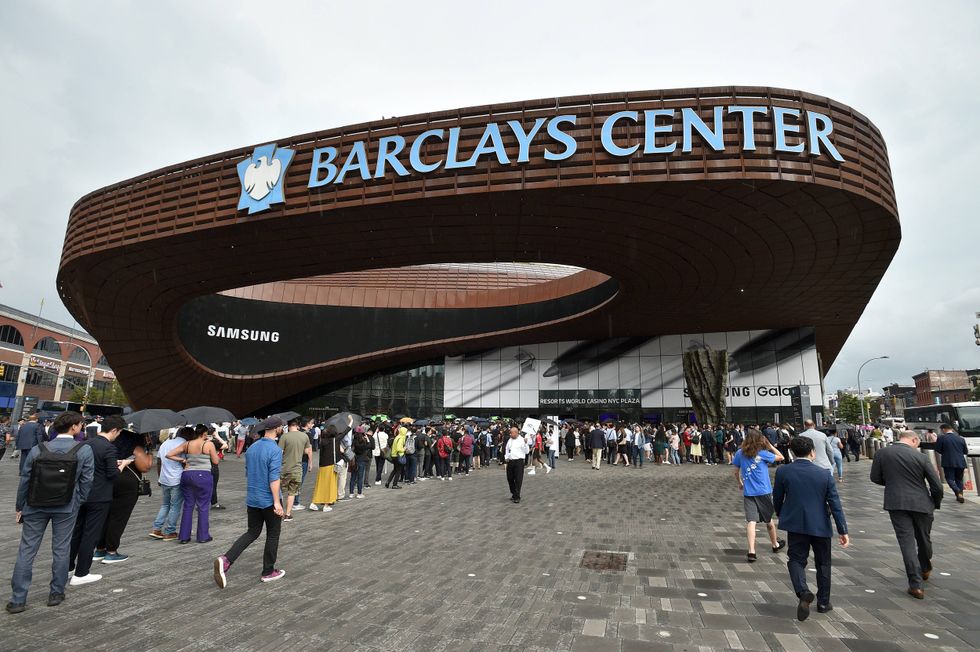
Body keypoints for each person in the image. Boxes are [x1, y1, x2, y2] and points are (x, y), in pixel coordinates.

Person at [7, 412, 94, 613]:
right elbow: (86, 482)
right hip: (66, 506)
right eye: (80, 425)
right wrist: (77, 500)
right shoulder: (83, 450)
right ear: (74, 427)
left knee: (27, 550)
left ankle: (18, 598)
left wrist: (20, 506)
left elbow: (25, 481)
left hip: (35, 504)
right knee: (61, 549)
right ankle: (56, 592)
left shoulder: (39, 449)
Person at [773, 437, 849, 621]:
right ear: (812, 452)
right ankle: (823, 602)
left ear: (791, 452)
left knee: (796, 560)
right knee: (823, 563)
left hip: (796, 524)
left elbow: (777, 498)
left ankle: (803, 591)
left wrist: (784, 514)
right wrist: (842, 530)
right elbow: (835, 504)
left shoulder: (783, 472)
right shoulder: (824, 474)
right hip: (820, 524)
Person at [870, 430, 943, 599]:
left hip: (896, 503)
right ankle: (925, 566)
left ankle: (915, 584)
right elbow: (937, 485)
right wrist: (935, 502)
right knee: (924, 538)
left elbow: (875, 477)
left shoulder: (882, 453)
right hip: (922, 502)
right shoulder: (921, 457)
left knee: (906, 542)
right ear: (914, 439)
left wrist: (892, 483)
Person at [213, 416, 285, 588]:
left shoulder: (252, 448)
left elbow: (248, 472)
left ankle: (226, 559)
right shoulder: (275, 450)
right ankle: (268, 571)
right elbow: (274, 479)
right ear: (276, 429)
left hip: (252, 498)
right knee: (273, 534)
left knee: (252, 532)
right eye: (281, 426)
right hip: (268, 499)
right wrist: (277, 502)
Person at [68, 415, 125, 586]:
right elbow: (112, 475)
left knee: (76, 531)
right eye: (119, 432)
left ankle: (68, 566)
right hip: (100, 496)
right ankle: (82, 572)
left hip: (82, 494)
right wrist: (122, 465)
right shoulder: (109, 448)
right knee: (91, 534)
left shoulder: (86, 443)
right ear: (114, 430)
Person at [95, 428, 152, 563]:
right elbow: (145, 466)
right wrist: (149, 452)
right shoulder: (135, 447)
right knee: (119, 518)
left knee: (106, 515)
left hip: (108, 480)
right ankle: (111, 551)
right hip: (126, 484)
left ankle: (100, 549)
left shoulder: (110, 446)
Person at [732, 429, 785, 562]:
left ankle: (751, 551)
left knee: (751, 521)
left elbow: (735, 471)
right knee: (769, 521)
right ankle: (775, 544)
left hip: (749, 492)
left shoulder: (740, 453)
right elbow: (781, 457)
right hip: (764, 491)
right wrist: (771, 446)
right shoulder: (763, 454)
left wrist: (740, 482)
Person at [167, 425, 221, 543]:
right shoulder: (208, 444)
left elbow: (169, 454)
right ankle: (203, 536)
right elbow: (216, 461)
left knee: (188, 505)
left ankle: (184, 537)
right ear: (205, 434)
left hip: (187, 475)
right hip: (203, 475)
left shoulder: (187, 444)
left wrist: (183, 460)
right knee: (203, 506)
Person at [150, 426, 189, 541]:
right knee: (175, 506)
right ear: (188, 435)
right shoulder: (185, 444)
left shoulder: (165, 443)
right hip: (177, 478)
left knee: (165, 504)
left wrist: (159, 478)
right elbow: (186, 462)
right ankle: (170, 531)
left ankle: (156, 528)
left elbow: (159, 462)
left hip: (164, 478)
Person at [276, 418, 312, 521]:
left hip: (284, 468)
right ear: (297, 425)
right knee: (292, 492)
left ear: (288, 425)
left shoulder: (284, 436)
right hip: (297, 469)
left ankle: (279, 512)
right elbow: (306, 451)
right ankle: (288, 514)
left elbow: (280, 452)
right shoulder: (304, 436)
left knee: (279, 491)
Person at [934, 424, 969, 503]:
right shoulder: (961, 439)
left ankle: (957, 491)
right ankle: (960, 495)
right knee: (959, 479)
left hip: (948, 461)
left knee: (949, 479)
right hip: (960, 462)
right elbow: (965, 451)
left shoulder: (941, 438)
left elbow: (938, 449)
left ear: (943, 429)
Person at [309, 425, 339, 512]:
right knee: (330, 485)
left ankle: (314, 502)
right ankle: (326, 505)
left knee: (320, 485)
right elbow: (344, 433)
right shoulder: (334, 440)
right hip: (330, 465)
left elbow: (321, 454)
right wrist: (350, 422)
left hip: (322, 466)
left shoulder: (323, 441)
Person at [504, 426, 529, 503]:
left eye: (511, 433)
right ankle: (514, 493)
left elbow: (527, 451)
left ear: (516, 432)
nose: (510, 434)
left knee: (518, 479)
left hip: (519, 462)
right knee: (510, 478)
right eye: (510, 433)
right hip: (510, 461)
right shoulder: (510, 440)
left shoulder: (522, 440)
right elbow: (507, 449)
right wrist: (506, 457)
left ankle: (517, 496)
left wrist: (525, 444)